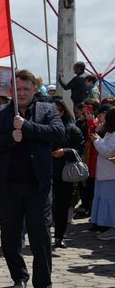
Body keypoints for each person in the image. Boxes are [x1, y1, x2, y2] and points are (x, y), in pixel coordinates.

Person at [0, 69, 65, 288]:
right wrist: (9, 138)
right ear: (11, 91)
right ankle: (19, 276)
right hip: (7, 185)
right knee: (10, 237)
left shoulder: (47, 110)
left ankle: (43, 284)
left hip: (38, 186)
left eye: (27, 89)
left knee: (41, 235)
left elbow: (59, 134)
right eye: (18, 89)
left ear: (35, 90)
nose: (23, 93)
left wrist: (27, 126)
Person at [51, 99, 84, 248]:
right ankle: (42, 236)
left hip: (64, 174)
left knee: (62, 207)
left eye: (56, 110)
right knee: (44, 208)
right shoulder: (41, 127)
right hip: (43, 172)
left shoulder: (72, 129)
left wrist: (66, 152)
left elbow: (79, 150)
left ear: (62, 111)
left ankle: (59, 236)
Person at [91, 107, 115, 240]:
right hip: (107, 174)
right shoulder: (110, 133)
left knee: (111, 203)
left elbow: (108, 152)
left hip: (111, 175)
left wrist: (97, 141)